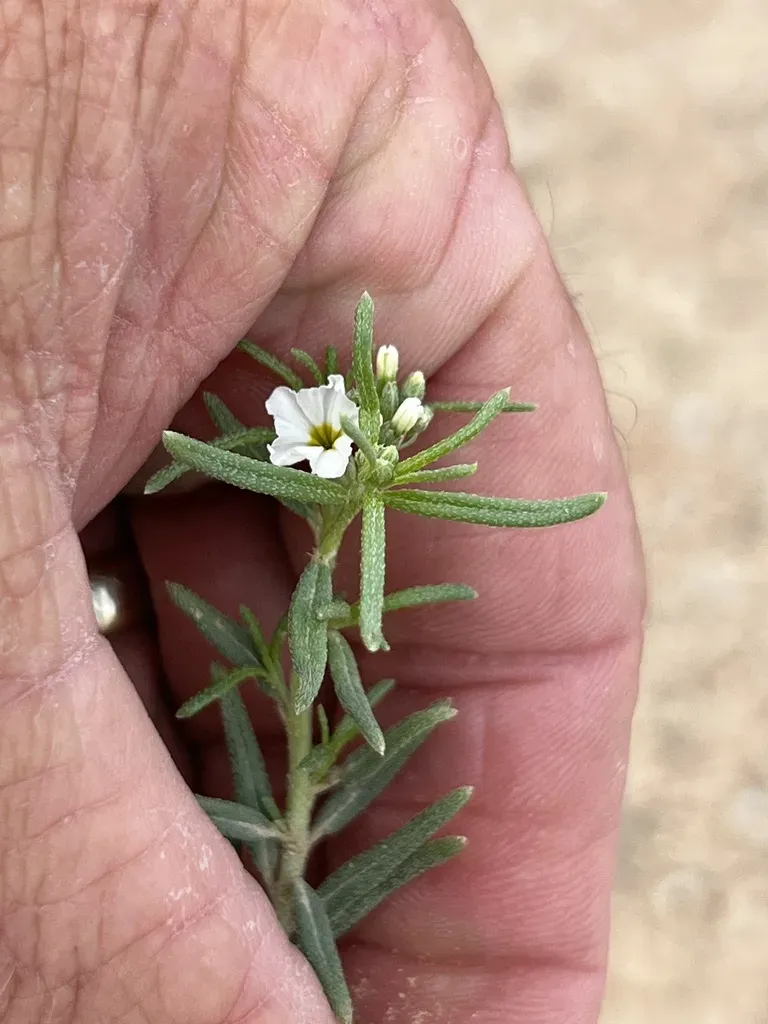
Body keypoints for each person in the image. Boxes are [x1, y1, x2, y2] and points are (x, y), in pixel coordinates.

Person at [0, 1, 645, 1021]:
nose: (328, 447)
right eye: (326, 444)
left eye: (332, 444)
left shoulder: (349, 452)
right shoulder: (312, 432)